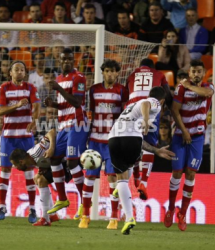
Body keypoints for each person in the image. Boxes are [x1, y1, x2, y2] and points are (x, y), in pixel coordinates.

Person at [108, 86, 174, 235]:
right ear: (162, 101)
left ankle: (128, 216)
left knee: (122, 177)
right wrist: (145, 120)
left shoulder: (131, 106)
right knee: (130, 165)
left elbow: (137, 139)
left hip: (113, 138)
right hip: (131, 139)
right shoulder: (154, 102)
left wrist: (156, 151)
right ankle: (129, 214)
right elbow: (146, 104)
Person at [164, 60, 214, 231]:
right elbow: (174, 110)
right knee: (177, 172)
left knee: (191, 174)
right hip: (180, 135)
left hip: (197, 138)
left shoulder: (208, 86)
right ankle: (171, 208)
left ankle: (183, 213)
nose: (195, 74)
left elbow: (207, 93)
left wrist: (190, 86)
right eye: (193, 71)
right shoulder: (180, 88)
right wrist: (184, 131)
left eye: (199, 71)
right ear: (189, 72)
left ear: (204, 72)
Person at [78, 60, 128, 229]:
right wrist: (86, 136)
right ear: (103, 72)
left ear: (117, 73)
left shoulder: (122, 90)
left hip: (113, 141)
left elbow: (124, 115)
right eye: (107, 71)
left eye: (113, 71)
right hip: (94, 140)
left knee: (113, 177)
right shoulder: (94, 90)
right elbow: (90, 113)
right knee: (89, 176)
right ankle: (85, 215)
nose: (110, 74)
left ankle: (114, 217)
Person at [0, 60, 41, 223]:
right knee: (5, 170)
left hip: (25, 136)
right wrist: (17, 105)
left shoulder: (30, 87)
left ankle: (33, 208)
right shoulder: (4, 88)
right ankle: (2, 206)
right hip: (8, 137)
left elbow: (36, 105)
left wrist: (35, 120)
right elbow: (0, 111)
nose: (20, 72)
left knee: (29, 170)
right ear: (11, 73)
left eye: (22, 69)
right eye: (17, 69)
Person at [43, 48, 88, 215]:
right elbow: (65, 104)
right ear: (59, 61)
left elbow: (77, 102)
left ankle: (85, 202)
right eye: (64, 59)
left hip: (77, 125)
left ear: (73, 61)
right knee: (54, 159)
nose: (67, 62)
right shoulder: (59, 79)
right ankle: (62, 198)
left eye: (70, 59)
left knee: (71, 161)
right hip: (63, 126)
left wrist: (58, 89)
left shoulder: (79, 77)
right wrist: (53, 105)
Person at [125, 58, 172, 200]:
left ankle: (136, 175)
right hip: (151, 109)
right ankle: (143, 182)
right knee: (149, 146)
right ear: (153, 67)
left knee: (134, 145)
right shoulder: (159, 74)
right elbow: (167, 95)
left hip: (132, 110)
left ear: (140, 67)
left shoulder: (131, 75)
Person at [9, 129, 62, 226]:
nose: (16, 168)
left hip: (66, 162)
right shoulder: (31, 157)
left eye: (15, 165)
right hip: (57, 164)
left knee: (41, 180)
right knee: (36, 178)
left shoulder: (37, 153)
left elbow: (52, 132)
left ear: (21, 162)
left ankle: (45, 218)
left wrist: (51, 148)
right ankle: (52, 215)